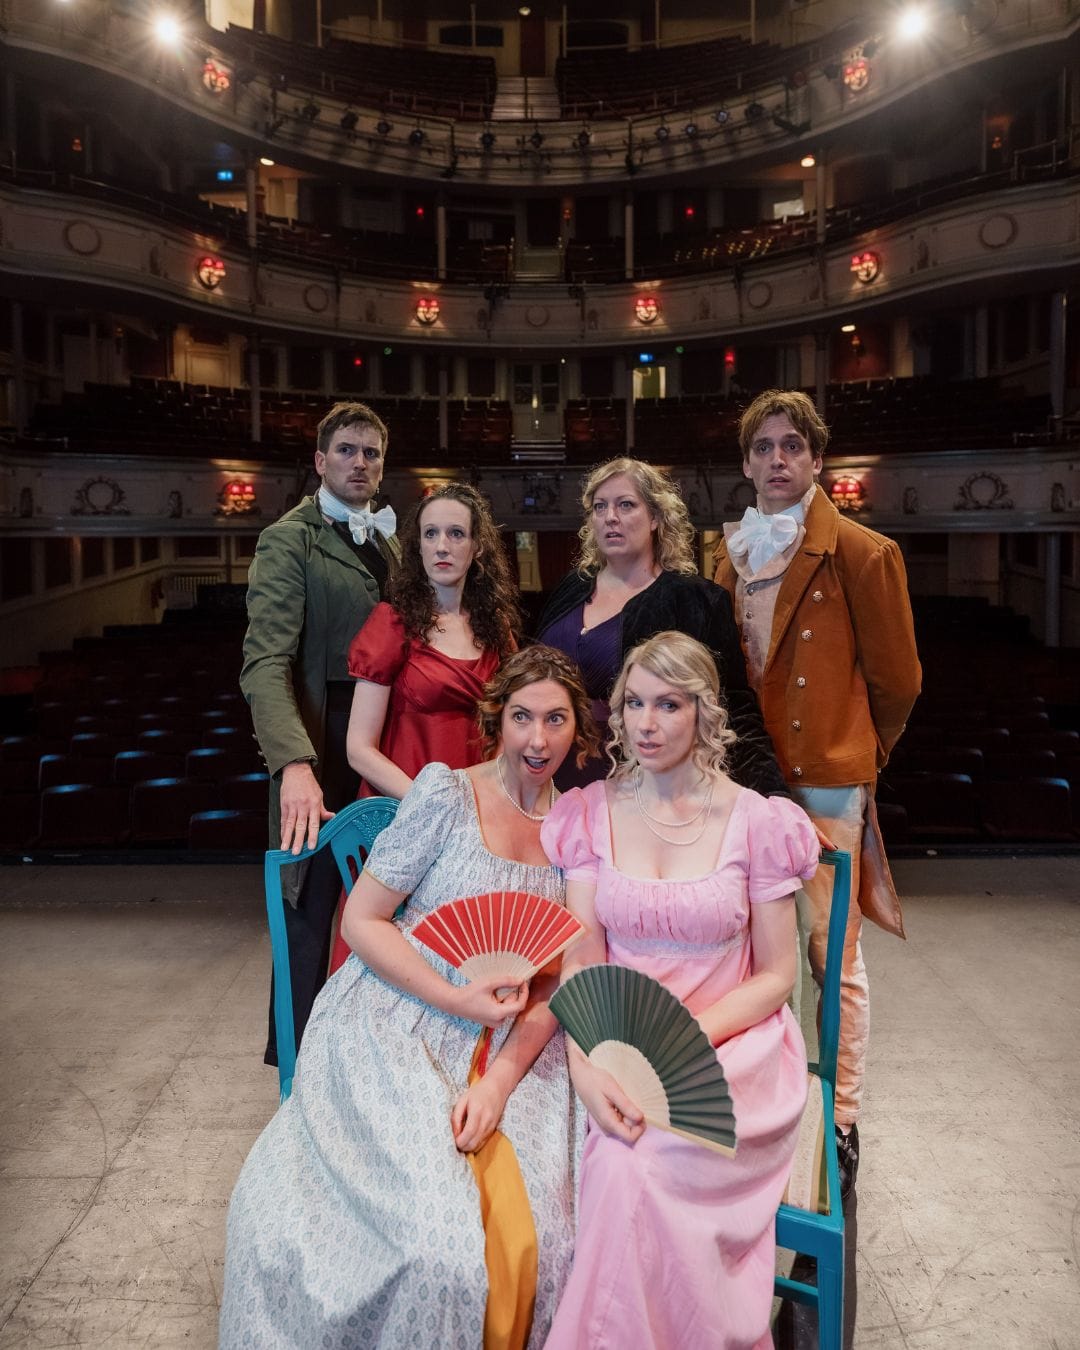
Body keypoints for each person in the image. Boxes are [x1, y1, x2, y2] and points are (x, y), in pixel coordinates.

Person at [220, 646, 599, 1350]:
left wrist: (502, 1075)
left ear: (580, 727)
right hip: (398, 1016)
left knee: (557, 1240)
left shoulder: (578, 828)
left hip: (517, 1040)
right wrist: (456, 999)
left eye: (556, 719)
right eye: (521, 717)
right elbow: (362, 922)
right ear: (498, 719)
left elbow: (565, 973)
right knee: (437, 1251)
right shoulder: (443, 794)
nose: (538, 739)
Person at [541, 632, 818, 1350]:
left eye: (668, 704)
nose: (647, 723)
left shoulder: (758, 820)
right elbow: (581, 962)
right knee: (617, 1154)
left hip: (730, 1045)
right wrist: (586, 1064)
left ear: (703, 712)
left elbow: (777, 976)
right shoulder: (590, 812)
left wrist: (693, 1033)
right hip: (615, 1041)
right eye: (634, 703)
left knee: (650, 1163)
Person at [712, 388, 921, 1196]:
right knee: (759, 951)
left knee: (831, 953)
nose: (775, 460)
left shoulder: (865, 552)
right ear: (745, 462)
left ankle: (840, 1118)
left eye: (790, 446)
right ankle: (772, 1108)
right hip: (747, 778)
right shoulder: (726, 554)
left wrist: (859, 754)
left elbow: (899, 680)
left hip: (827, 778)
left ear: (816, 458)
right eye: (762, 447)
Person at [240, 401, 400, 1066]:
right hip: (321, 740)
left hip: (383, 740)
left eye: (371, 454)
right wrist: (294, 765)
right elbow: (263, 665)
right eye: (346, 451)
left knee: (386, 914)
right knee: (309, 919)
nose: (359, 463)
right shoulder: (287, 538)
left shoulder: (388, 540)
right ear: (319, 461)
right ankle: (299, 1081)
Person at [535, 456, 787, 799]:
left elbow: (733, 708)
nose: (610, 517)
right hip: (548, 772)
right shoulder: (571, 587)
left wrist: (774, 799)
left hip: (638, 783)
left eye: (626, 505)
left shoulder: (694, 599)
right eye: (600, 507)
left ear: (655, 517)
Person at [345, 482, 520, 800]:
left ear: (477, 546)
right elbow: (358, 749)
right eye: (430, 534)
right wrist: (426, 802)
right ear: (418, 547)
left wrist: (488, 796)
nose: (442, 546)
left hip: (480, 803)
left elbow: (510, 727)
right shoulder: (392, 622)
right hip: (405, 801)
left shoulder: (496, 628)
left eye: (456, 533)